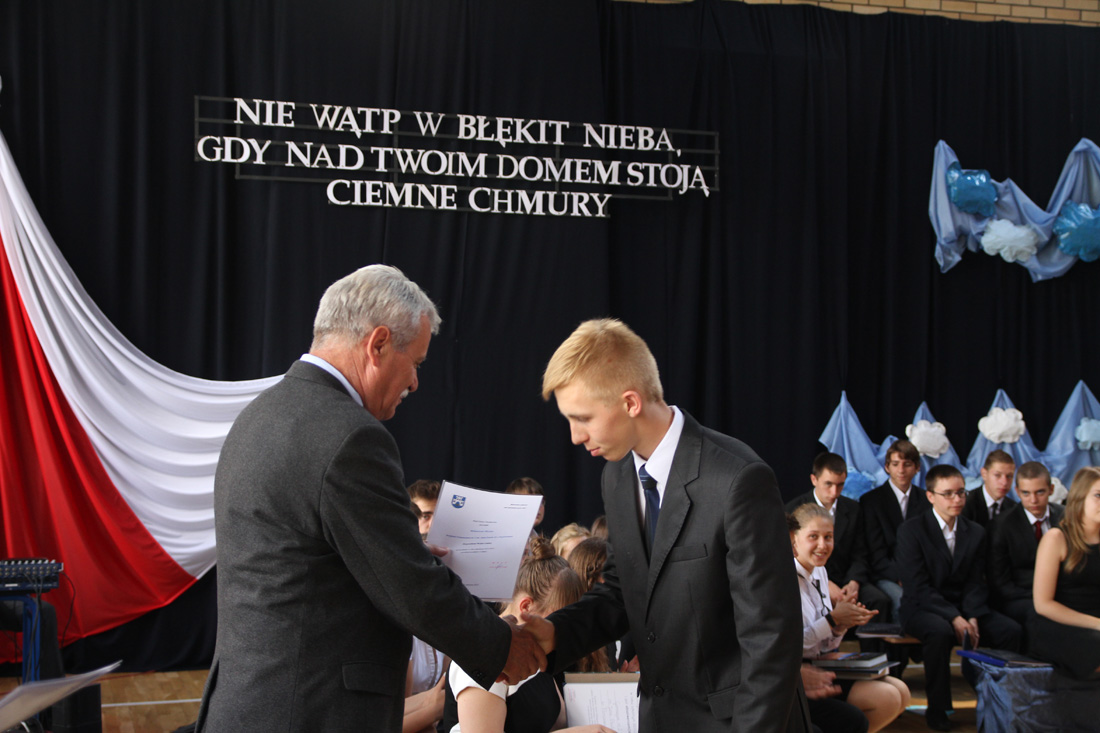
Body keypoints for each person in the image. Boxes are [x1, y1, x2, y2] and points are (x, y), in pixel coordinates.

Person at [196, 265, 545, 732]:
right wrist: (501, 646)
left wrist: (403, 548)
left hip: (252, 705)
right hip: (310, 713)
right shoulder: (350, 436)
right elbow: (409, 587)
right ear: (378, 344)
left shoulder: (258, 417)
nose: (415, 382)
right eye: (416, 362)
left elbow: (307, 563)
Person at [526, 318, 810, 733]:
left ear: (630, 402)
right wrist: (555, 633)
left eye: (582, 418)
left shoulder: (737, 479)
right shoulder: (616, 476)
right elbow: (625, 589)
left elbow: (772, 640)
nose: (574, 436)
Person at [440, 537, 615, 733]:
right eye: (556, 619)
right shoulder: (482, 656)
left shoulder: (538, 655)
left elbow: (559, 721)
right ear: (526, 607)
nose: (561, 631)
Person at [896, 465, 1021, 731]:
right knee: (939, 632)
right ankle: (938, 709)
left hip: (965, 606)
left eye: (961, 492)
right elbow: (917, 587)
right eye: (948, 494)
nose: (957, 499)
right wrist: (954, 617)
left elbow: (976, 582)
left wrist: (972, 615)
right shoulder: (911, 530)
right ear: (931, 496)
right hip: (922, 607)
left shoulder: (975, 531)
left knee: (1009, 630)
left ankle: (1003, 703)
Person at [790, 504, 909, 733]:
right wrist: (832, 620)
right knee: (887, 698)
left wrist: (841, 626)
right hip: (798, 671)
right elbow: (790, 645)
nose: (823, 545)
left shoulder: (820, 571)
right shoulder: (786, 577)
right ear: (795, 539)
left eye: (828, 537)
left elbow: (826, 644)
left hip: (820, 661)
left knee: (901, 691)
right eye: (813, 537)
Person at [786, 453, 887, 624]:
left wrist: (854, 582)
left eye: (840, 485)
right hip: (809, 577)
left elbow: (860, 552)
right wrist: (824, 584)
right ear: (814, 479)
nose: (834, 492)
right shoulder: (793, 510)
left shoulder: (853, 509)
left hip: (846, 578)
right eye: (828, 484)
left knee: (878, 601)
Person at [1028, 465, 1100, 679]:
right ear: (1079, 498)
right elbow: (1043, 604)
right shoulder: (1056, 538)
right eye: (1098, 496)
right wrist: (1097, 624)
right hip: (1061, 625)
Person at [860, 439, 931, 622]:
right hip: (885, 575)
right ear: (887, 467)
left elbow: (927, 547)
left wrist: (913, 577)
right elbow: (875, 552)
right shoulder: (871, 501)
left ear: (917, 468)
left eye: (907, 464)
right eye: (895, 464)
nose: (901, 470)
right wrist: (901, 577)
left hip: (918, 574)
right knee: (903, 601)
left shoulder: (927, 501)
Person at [987, 461, 1064, 629]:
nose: (1033, 500)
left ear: (1051, 489)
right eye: (1026, 493)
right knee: (1044, 616)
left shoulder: (1065, 517)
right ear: (1017, 492)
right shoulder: (1002, 525)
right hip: (1019, 598)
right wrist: (1042, 598)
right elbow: (999, 581)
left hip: (1062, 593)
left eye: (1040, 492)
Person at [962, 450, 1017, 528]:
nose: (1004, 482)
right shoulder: (965, 504)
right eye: (997, 475)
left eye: (1009, 476)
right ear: (984, 474)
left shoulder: (1014, 509)